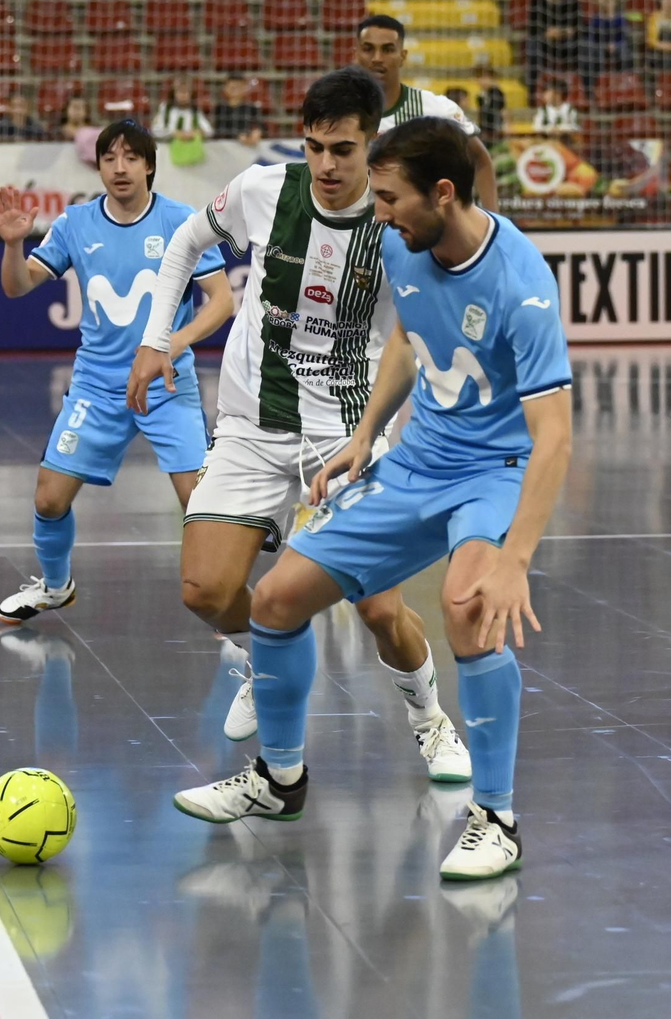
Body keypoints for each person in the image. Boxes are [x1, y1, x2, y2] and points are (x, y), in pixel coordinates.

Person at [170, 117, 572, 882]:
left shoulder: (520, 283)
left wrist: (516, 560)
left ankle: (496, 818)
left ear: (442, 193)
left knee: (467, 606)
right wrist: (364, 435)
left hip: (492, 472)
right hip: (415, 462)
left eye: (389, 199)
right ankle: (279, 779)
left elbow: (554, 437)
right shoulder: (401, 244)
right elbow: (405, 339)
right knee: (276, 600)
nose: (377, 213)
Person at [128, 68, 473, 784]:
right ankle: (269, 655)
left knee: (378, 609)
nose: (325, 165)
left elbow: (411, 341)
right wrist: (157, 339)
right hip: (251, 423)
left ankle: (431, 721)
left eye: (343, 150)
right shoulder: (263, 189)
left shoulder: (397, 224)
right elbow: (185, 243)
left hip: (345, 432)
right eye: (314, 147)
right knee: (205, 591)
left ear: (372, 142)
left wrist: (383, 431)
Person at [0, 119, 236, 623]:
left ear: (149, 166)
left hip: (168, 385)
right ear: (98, 167)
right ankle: (55, 587)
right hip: (97, 388)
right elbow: (17, 287)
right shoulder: (75, 223)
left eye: (131, 158)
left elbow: (222, 301)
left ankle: (226, 599)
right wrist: (13, 246)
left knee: (199, 502)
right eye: (109, 158)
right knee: (49, 498)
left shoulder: (181, 221)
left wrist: (170, 344)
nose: (119, 168)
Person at [353, 14, 499, 211]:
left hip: (418, 228)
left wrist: (494, 221)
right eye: (368, 49)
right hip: (357, 226)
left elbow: (481, 160)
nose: (377, 58)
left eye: (387, 49)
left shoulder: (435, 109)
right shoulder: (337, 111)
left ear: (403, 56)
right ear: (356, 54)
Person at [525, 0, 580, 101]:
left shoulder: (571, 1)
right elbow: (532, 28)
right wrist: (546, 33)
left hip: (566, 41)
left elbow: (578, 27)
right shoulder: (537, 2)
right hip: (544, 41)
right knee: (533, 47)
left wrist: (562, 32)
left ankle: (584, 92)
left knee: (585, 48)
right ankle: (533, 93)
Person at [581, 0, 630, 99]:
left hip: (617, 47)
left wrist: (615, 44)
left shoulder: (620, 18)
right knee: (596, 54)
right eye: (606, 1)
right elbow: (591, 38)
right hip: (599, 47)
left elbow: (624, 37)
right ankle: (599, 84)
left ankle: (624, 82)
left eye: (611, 1)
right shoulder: (596, 19)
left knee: (624, 51)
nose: (608, 4)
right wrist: (604, 45)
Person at [152, 78, 214, 143]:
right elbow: (155, 130)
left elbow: (209, 131)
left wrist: (196, 132)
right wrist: (174, 133)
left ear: (191, 94)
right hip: (167, 147)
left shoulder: (195, 111)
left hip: (189, 147)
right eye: (180, 92)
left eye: (186, 92)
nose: (183, 95)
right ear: (174, 93)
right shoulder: (166, 109)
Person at [211, 75, 265, 146]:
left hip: (248, 146)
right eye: (232, 87)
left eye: (238, 87)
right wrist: (238, 136)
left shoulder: (252, 108)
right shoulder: (220, 108)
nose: (235, 90)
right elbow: (218, 131)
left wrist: (256, 132)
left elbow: (262, 127)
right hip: (225, 146)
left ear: (245, 88)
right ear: (225, 89)